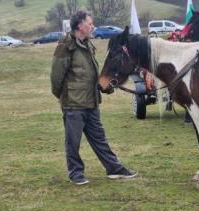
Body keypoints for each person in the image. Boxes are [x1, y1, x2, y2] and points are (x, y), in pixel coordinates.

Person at [50, 10, 137, 185]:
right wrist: (61, 96)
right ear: (80, 26)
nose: (93, 26)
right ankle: (76, 174)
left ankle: (114, 168)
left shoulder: (87, 44)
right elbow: (56, 76)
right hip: (74, 103)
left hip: (91, 101)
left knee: (100, 139)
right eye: (90, 24)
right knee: (73, 141)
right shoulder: (66, 46)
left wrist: (105, 87)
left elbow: (91, 72)